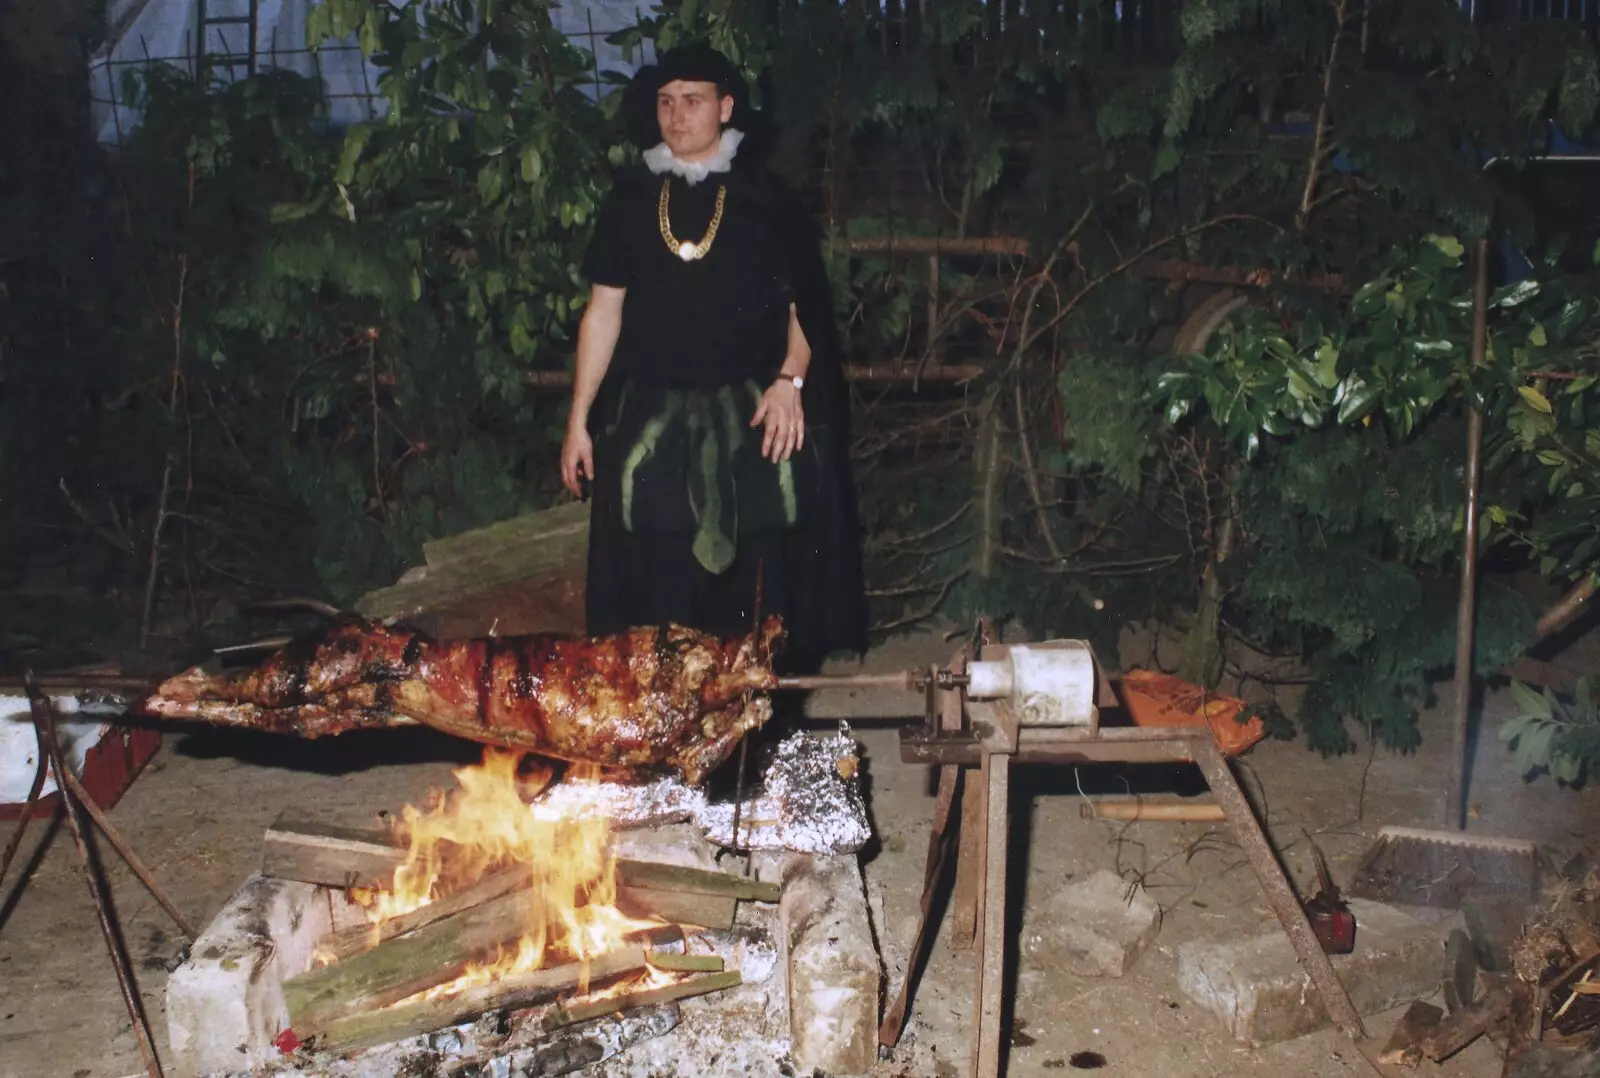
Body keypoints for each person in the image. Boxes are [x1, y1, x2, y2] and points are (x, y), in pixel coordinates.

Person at [561, 43, 867, 668]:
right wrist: (578, 422)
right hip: (654, 411)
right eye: (666, 102)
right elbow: (603, 313)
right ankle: (666, 724)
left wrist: (791, 382)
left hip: (755, 408)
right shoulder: (630, 198)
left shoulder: (766, 198)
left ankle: (761, 722)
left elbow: (804, 307)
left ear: (726, 107)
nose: (677, 116)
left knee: (760, 569)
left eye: (693, 100)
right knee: (652, 555)